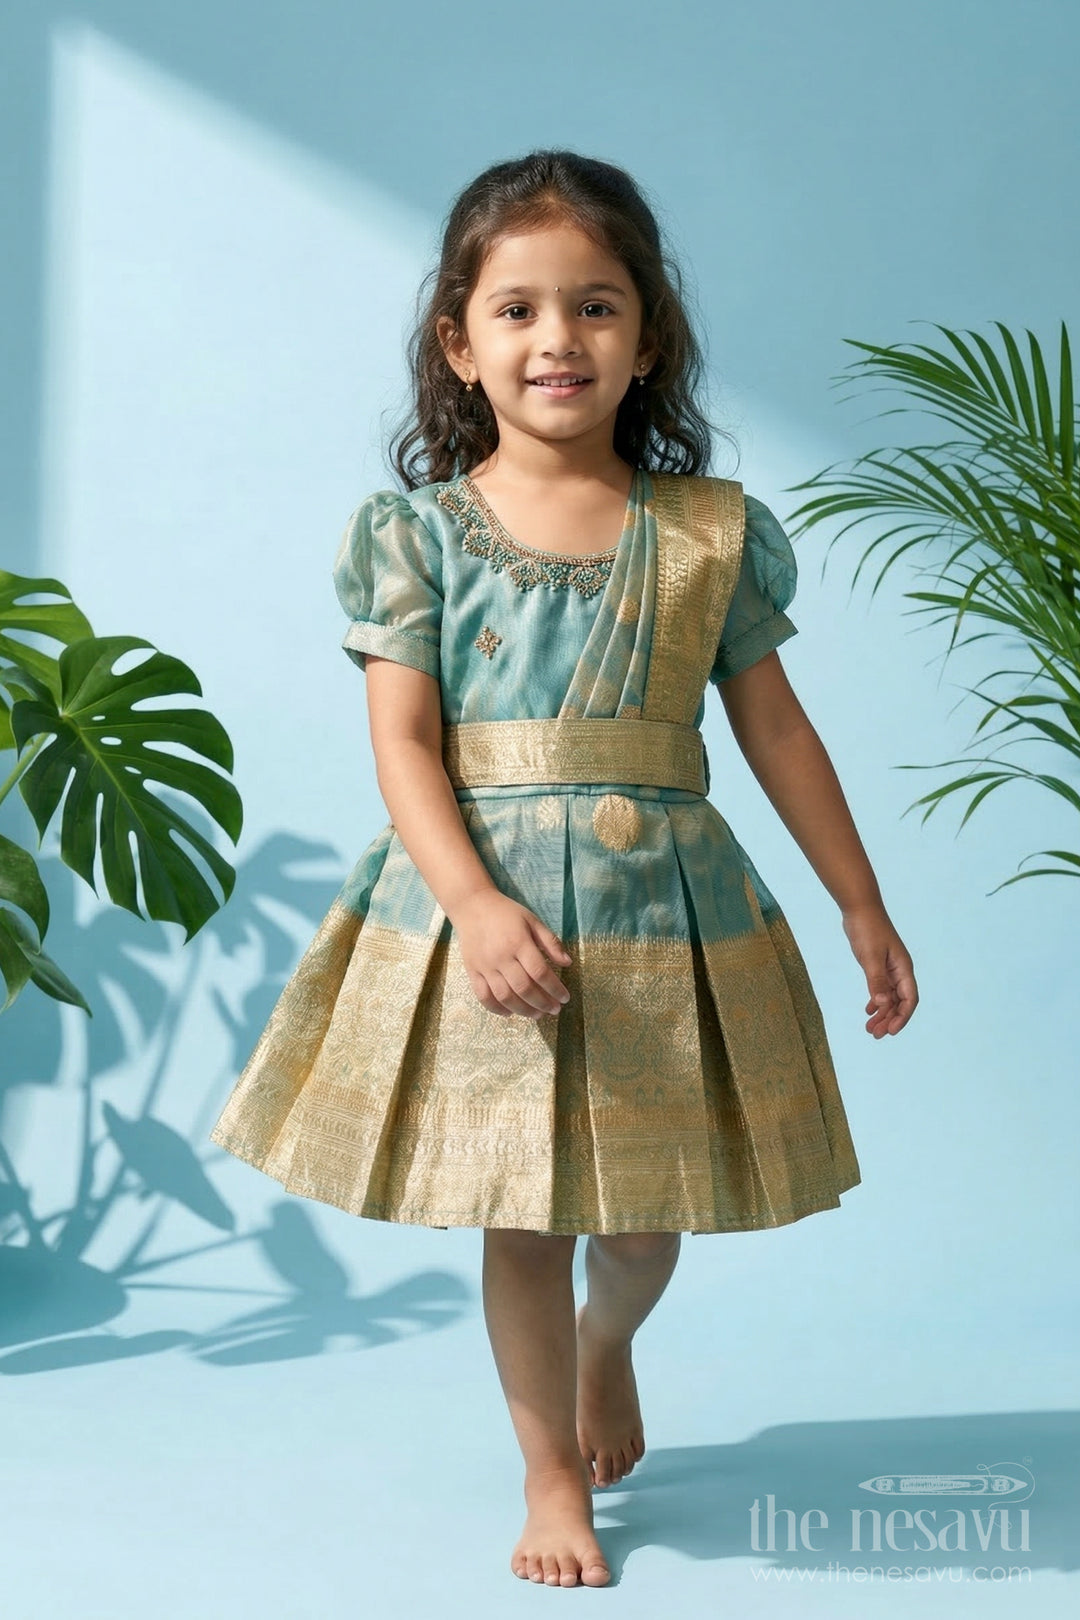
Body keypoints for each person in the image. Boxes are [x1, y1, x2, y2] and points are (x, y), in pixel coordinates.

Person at [209, 148, 919, 1590]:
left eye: (597, 307)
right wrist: (473, 903)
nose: (559, 340)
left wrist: (862, 900)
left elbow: (777, 729)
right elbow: (404, 742)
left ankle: (609, 1348)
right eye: (518, 310)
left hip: (666, 915)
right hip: (494, 916)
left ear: (647, 339)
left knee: (642, 1226)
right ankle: (548, 1476)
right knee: (524, 1218)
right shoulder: (416, 536)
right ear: (458, 344)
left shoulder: (709, 533)